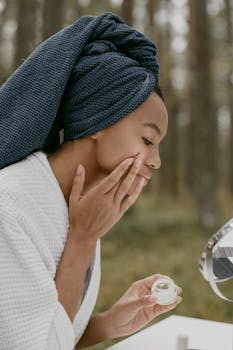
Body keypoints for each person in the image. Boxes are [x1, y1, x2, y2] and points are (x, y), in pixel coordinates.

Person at [0, 12, 182, 350]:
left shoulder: (79, 203)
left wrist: (109, 323)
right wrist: (82, 239)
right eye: (147, 140)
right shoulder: (8, 205)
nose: (156, 161)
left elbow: (49, 331)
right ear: (100, 120)